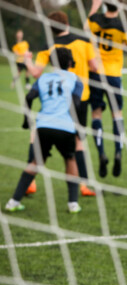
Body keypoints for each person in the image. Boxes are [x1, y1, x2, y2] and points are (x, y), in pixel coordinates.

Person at [25, 11, 99, 197]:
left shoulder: (48, 46)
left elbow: (36, 73)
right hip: (80, 99)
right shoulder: (84, 41)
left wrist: (27, 61)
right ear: (67, 24)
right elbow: (95, 67)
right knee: (78, 143)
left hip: (55, 101)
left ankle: (30, 182)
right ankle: (84, 185)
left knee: (36, 137)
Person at [5, 48, 83, 214]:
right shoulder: (75, 79)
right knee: (70, 160)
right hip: (65, 127)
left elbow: (28, 97)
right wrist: (78, 128)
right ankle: (73, 204)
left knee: (36, 162)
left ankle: (13, 201)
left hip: (44, 126)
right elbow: (76, 104)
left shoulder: (43, 78)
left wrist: (26, 120)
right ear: (70, 63)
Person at [87, 0, 127, 177]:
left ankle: (101, 153)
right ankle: (118, 151)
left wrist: (95, 5)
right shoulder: (122, 26)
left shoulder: (94, 20)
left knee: (96, 114)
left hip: (94, 74)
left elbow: (87, 26)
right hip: (113, 75)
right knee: (117, 114)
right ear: (120, 6)